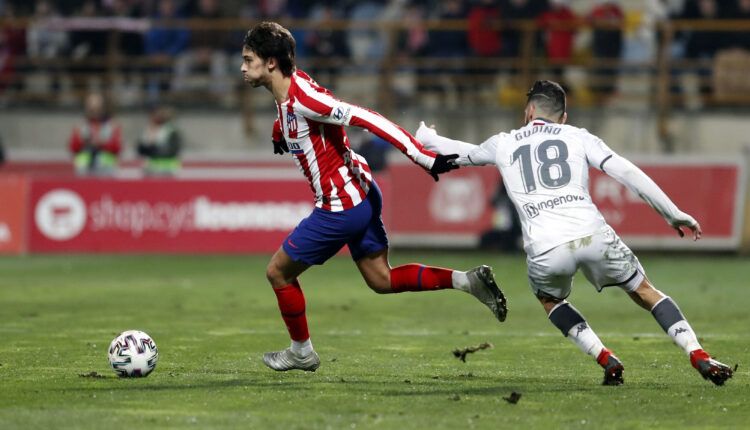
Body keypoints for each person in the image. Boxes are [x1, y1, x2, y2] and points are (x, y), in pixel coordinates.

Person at [416, 80, 734, 386]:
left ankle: (606, 358)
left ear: (528, 112)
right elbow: (626, 171)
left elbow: (459, 152)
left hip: (545, 247)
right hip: (592, 234)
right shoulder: (578, 136)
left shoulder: (503, 142)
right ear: (563, 117)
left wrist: (428, 139)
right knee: (644, 291)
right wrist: (672, 213)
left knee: (550, 300)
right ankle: (698, 354)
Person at [240, 21, 508, 372]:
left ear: (271, 62)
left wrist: (421, 155)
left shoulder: (305, 98)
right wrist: (281, 131)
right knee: (381, 279)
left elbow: (366, 118)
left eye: (248, 59)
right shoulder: (293, 90)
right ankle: (466, 280)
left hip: (341, 207)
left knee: (278, 273)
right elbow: (302, 119)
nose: (243, 67)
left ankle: (301, 351)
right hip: (363, 193)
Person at [68, 92, 122, 176]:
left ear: (103, 107)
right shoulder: (81, 126)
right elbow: (73, 147)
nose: (94, 110)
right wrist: (85, 142)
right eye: (91, 107)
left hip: (106, 170)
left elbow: (117, 147)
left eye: (97, 107)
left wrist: (102, 143)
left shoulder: (112, 125)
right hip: (84, 170)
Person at [136, 105, 182, 176]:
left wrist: (152, 147)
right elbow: (140, 150)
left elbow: (172, 150)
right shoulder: (147, 131)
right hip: (151, 170)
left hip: (168, 170)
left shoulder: (171, 131)